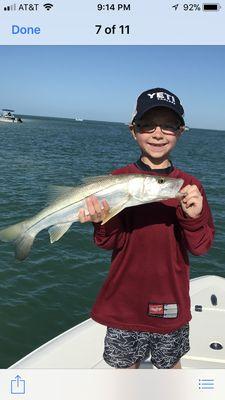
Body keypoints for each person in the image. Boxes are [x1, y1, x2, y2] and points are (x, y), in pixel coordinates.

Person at [78, 88, 215, 369]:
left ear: (181, 131)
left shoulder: (189, 186)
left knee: (170, 369)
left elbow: (200, 247)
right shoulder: (115, 180)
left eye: (168, 126)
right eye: (147, 125)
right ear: (133, 131)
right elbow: (107, 242)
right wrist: (101, 220)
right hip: (123, 303)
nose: (157, 133)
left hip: (170, 301)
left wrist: (193, 216)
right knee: (124, 374)